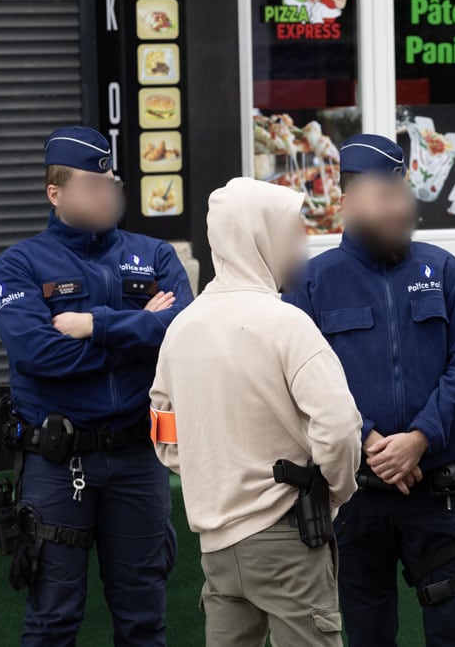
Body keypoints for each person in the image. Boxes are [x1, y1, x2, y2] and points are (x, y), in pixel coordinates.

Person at [287, 134, 455, 646]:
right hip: (353, 496)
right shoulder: (310, 284)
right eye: (381, 195)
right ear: (346, 204)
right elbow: (296, 383)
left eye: (400, 193)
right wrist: (368, 439)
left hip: (434, 491)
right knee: (365, 630)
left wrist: (420, 437)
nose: (396, 207)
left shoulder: (445, 272)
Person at [0, 126, 192, 645]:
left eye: (111, 182)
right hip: (58, 464)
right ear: (55, 193)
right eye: (92, 184)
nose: (107, 194)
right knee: (53, 618)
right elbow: (38, 354)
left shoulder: (155, 255)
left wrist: (94, 324)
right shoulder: (21, 263)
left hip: (135, 459)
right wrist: (136, 331)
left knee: (143, 618)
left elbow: (182, 335)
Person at [149, 177, 363, 646]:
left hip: (217, 547)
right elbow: (340, 427)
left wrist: (215, 476)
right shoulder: (286, 323)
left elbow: (164, 432)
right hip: (288, 535)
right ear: (260, 237)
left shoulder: (182, 328)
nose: (300, 248)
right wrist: (337, 493)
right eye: (292, 235)